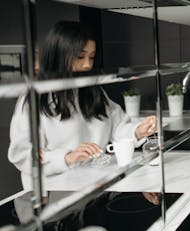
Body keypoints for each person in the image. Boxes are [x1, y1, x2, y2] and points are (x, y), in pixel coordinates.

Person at [8, 21, 157, 190]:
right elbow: (22, 155)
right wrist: (67, 157)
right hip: (52, 194)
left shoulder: (93, 91)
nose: (87, 64)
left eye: (91, 57)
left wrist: (138, 131)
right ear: (59, 55)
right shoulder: (34, 99)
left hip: (91, 187)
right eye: (80, 56)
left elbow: (118, 127)